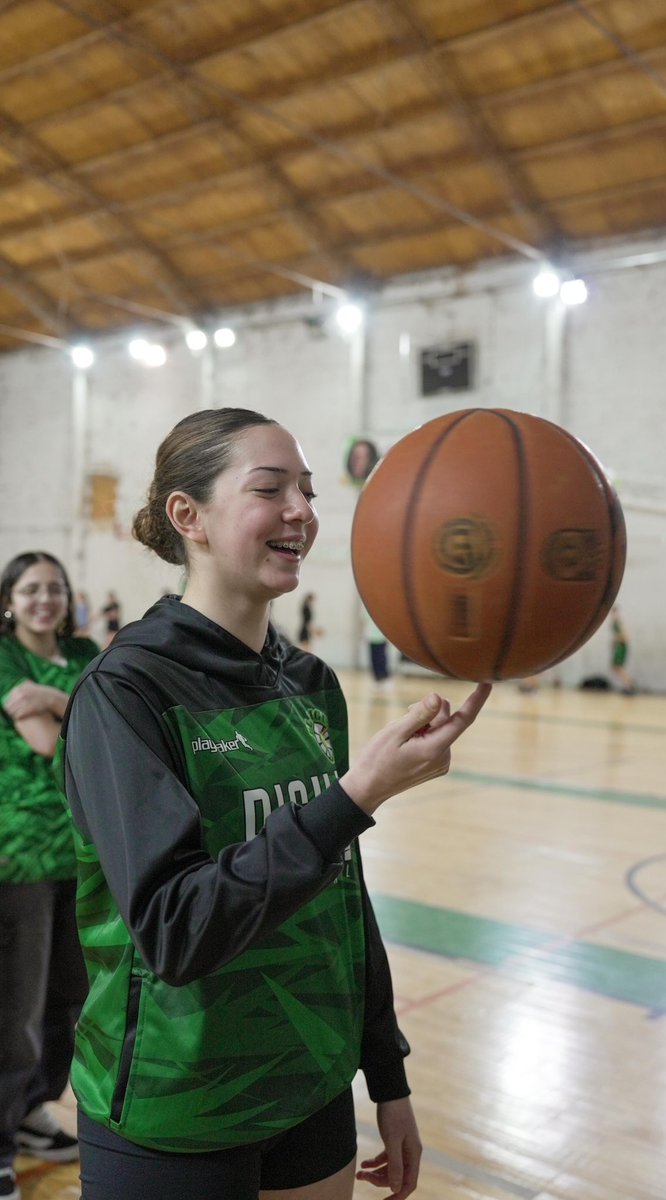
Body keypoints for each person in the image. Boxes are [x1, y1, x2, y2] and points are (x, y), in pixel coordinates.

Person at [58, 408, 491, 1200]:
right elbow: (175, 930)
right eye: (270, 489)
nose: (303, 510)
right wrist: (354, 795)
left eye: (308, 491)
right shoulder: (126, 691)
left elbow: (342, 899)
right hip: (174, 1102)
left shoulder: (310, 685)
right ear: (187, 516)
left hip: (310, 1082)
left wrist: (385, 1077)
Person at [0, 552, 99, 1200]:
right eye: (31, 589)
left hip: (85, 854)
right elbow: (46, 741)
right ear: (9, 601)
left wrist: (61, 699)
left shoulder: (87, 650)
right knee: (16, 1011)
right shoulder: (5, 657)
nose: (45, 599)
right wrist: (76, 711)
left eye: (54, 588)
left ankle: (34, 1111)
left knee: (70, 1001)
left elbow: (107, 730)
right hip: (22, 854)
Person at [610, 605, 636, 694]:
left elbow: (624, 636)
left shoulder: (618, 622)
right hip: (619, 646)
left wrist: (615, 640)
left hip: (621, 646)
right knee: (616, 667)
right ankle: (628, 684)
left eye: (614, 612)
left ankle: (629, 684)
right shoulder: (615, 622)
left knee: (618, 667)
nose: (613, 614)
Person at [365, 612, 390, 682]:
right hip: (371, 637)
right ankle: (377, 677)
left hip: (381, 637)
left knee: (381, 658)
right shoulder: (367, 608)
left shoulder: (382, 610)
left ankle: (384, 676)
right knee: (374, 659)